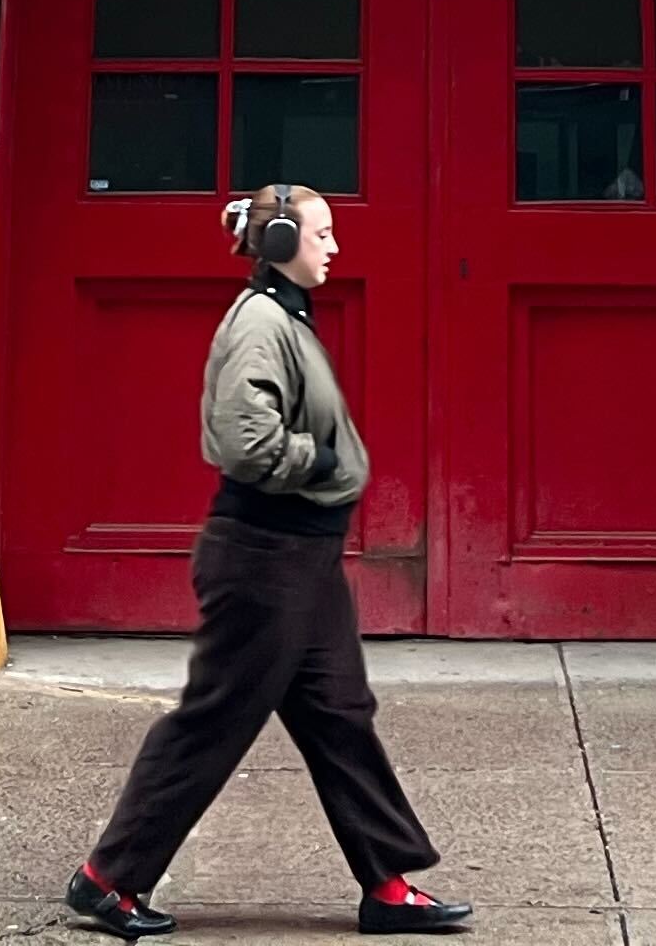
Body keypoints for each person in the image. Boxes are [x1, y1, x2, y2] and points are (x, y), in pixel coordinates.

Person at [63, 183, 469, 939]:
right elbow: (245, 438)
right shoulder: (259, 322)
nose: (334, 247)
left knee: (340, 715)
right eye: (322, 234)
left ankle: (386, 886)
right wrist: (318, 461)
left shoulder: (285, 317)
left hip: (303, 560)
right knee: (215, 719)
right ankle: (106, 880)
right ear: (281, 243)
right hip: (263, 557)